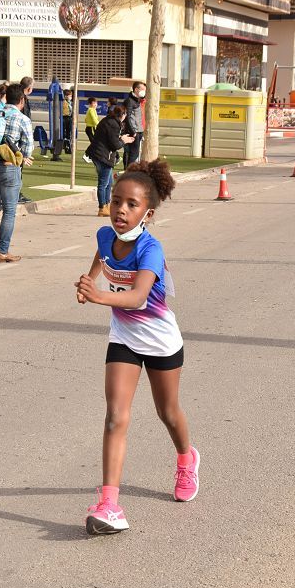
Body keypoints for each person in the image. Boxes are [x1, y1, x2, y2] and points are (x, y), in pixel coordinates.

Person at [74, 160, 197, 535]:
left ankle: (186, 459)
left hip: (160, 341)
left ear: (148, 212)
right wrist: (90, 277)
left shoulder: (151, 250)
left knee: (168, 412)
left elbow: (139, 296)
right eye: (116, 201)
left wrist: (97, 297)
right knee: (115, 416)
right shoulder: (103, 235)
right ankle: (109, 504)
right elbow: (102, 254)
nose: (121, 210)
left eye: (131, 204)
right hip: (124, 339)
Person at [0, 84, 33, 264]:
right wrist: (21, 156)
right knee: (9, 211)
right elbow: (28, 147)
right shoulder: (22, 118)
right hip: (9, 167)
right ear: (21, 100)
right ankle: (2, 251)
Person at [86, 104, 135, 217]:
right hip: (103, 156)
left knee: (108, 183)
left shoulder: (109, 121)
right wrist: (124, 140)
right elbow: (115, 145)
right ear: (122, 115)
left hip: (99, 154)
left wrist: (121, 138)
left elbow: (110, 140)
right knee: (103, 183)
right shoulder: (113, 124)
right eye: (126, 115)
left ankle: (107, 205)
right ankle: (102, 207)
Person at [18, 77, 35, 205]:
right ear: (28, 88)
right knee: (17, 168)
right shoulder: (21, 99)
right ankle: (16, 194)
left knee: (18, 168)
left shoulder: (22, 98)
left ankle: (16, 193)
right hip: (19, 139)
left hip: (19, 139)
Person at [121, 81, 146, 167]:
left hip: (138, 131)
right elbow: (127, 118)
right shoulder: (129, 101)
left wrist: (141, 131)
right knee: (132, 154)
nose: (144, 92)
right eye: (142, 89)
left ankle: (130, 172)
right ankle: (128, 172)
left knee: (134, 154)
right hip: (133, 132)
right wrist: (133, 132)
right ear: (136, 89)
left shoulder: (137, 100)